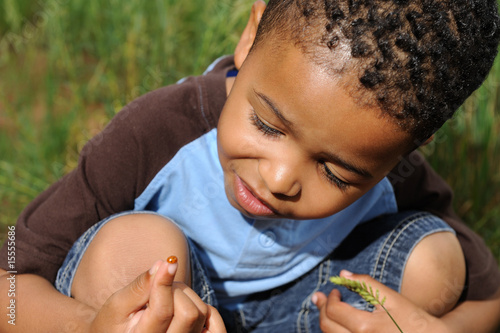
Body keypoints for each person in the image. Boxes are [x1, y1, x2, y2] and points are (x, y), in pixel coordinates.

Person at [1, 0, 500, 332]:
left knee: (435, 262)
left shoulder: (397, 173)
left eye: (337, 173)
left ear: (411, 146)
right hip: (166, 315)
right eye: (267, 125)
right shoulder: (151, 132)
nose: (279, 179)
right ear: (252, 34)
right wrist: (86, 325)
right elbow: (9, 273)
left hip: (310, 310)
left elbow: (490, 300)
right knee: (138, 249)